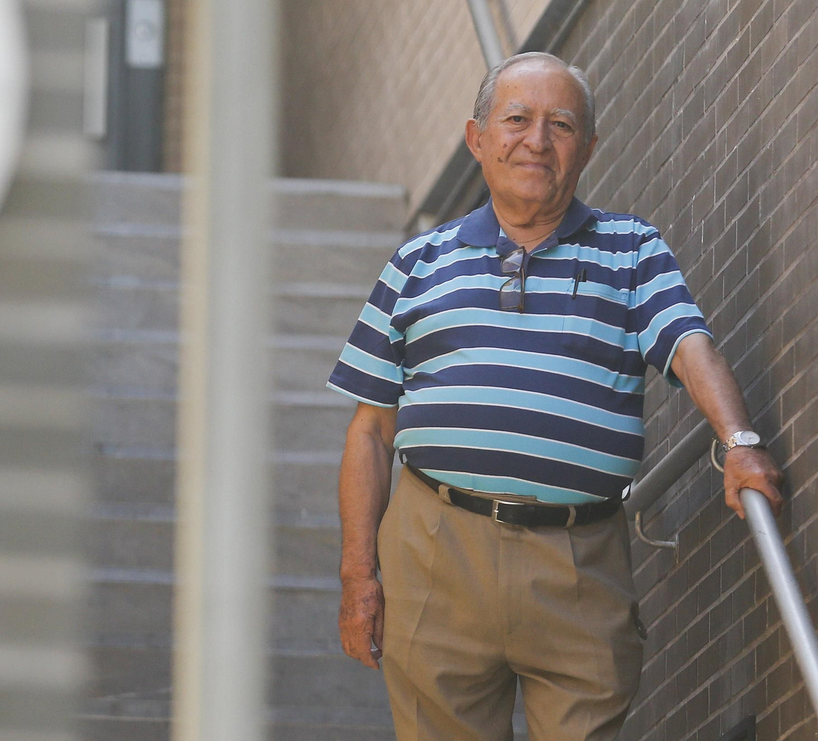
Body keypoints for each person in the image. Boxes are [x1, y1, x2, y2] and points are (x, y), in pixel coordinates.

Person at [329, 52, 786, 741]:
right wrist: (358, 575)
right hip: (435, 552)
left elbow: (691, 347)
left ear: (589, 148)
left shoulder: (632, 250)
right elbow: (369, 433)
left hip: (579, 559)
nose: (537, 141)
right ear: (476, 137)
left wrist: (740, 441)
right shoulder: (416, 263)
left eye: (561, 125)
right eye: (517, 119)